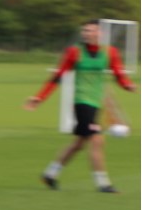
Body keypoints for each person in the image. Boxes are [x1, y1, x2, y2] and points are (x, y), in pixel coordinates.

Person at [25, 19, 136, 194]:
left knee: (79, 143)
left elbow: (119, 74)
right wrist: (40, 97)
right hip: (82, 102)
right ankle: (103, 183)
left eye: (90, 31)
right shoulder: (74, 52)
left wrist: (128, 85)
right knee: (97, 140)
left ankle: (50, 174)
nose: (86, 34)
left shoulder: (110, 52)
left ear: (100, 34)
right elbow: (58, 76)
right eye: (84, 31)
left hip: (96, 102)